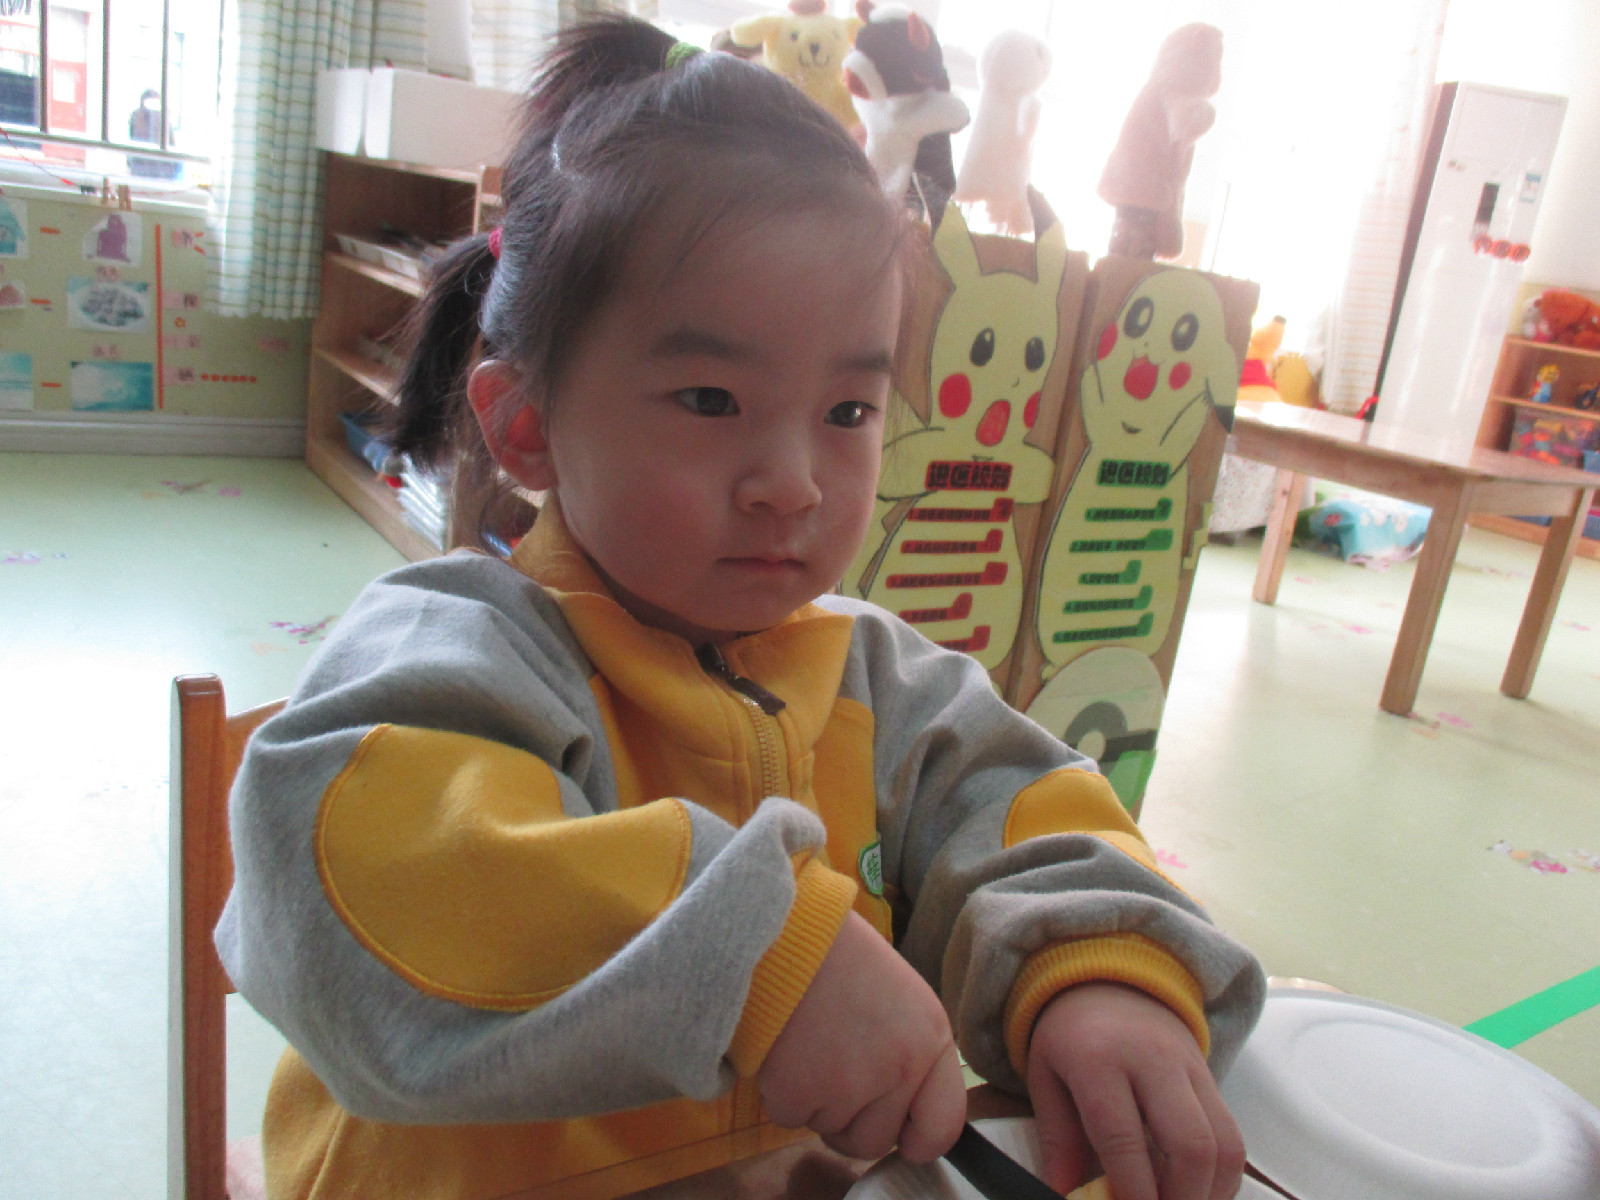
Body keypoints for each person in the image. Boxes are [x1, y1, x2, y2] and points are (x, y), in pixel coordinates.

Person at [217, 14, 1265, 1200]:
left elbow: (1027, 813)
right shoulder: (453, 646)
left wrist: (1098, 969)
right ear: (526, 425)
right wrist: (762, 956)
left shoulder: (884, 681)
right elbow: (359, 877)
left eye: (847, 413)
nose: (794, 484)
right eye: (712, 399)